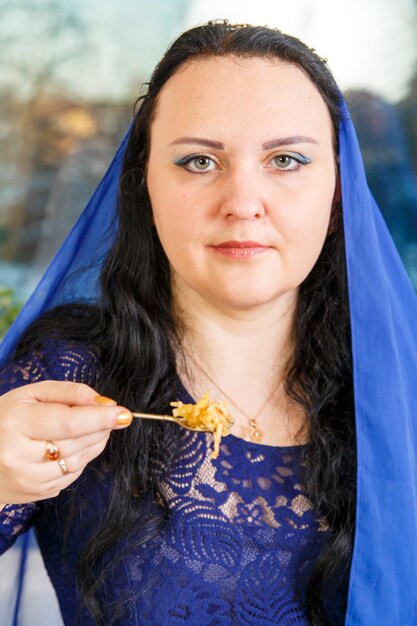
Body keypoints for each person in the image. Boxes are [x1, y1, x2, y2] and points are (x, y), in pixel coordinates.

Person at [0, 20, 416, 626]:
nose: (243, 201)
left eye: (286, 159)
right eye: (198, 160)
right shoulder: (70, 372)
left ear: (337, 195)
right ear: (145, 185)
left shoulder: (400, 388)